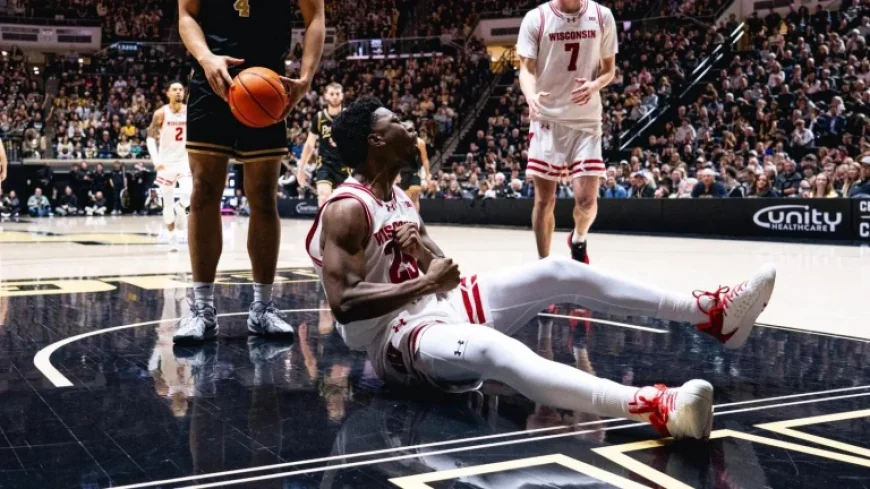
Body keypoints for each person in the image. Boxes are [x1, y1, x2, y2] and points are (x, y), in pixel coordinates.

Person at [307, 97, 777, 442]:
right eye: (398, 122)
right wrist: (430, 279)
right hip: (395, 339)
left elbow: (442, 267)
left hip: (435, 305)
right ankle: (654, 407)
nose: (410, 126)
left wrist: (431, 266)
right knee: (494, 348)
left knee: (559, 268)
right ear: (375, 141)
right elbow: (344, 305)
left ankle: (711, 314)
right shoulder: (347, 209)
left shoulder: (400, 197)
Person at [174, 0, 324, 343]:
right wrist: (206, 57)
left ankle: (263, 308)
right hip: (212, 83)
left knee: (263, 196)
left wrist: (305, 77)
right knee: (204, 193)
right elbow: (186, 16)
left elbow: (315, 16)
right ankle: (202, 308)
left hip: (268, 84)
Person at [517, 0, 618, 263]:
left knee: (586, 202)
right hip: (547, 118)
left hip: (585, 120)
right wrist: (530, 96)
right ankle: (544, 266)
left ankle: (578, 239)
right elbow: (526, 69)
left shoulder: (602, 16)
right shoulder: (536, 18)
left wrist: (594, 85)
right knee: (544, 201)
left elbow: (609, 70)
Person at [147, 82, 192, 250]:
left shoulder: (190, 111)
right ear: (168, 93)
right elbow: (150, 137)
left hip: (184, 161)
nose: (178, 92)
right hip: (166, 163)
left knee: (188, 193)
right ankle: (172, 236)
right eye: (175, 89)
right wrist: (156, 160)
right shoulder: (160, 113)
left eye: (181, 89)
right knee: (166, 203)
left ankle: (180, 209)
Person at [297, 83, 345, 206]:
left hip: (345, 166)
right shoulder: (318, 117)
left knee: (343, 206)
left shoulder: (349, 117)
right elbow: (309, 145)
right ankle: (324, 225)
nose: (335, 97)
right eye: (332, 94)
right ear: (326, 96)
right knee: (323, 198)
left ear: (342, 96)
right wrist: (301, 169)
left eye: (337, 94)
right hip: (325, 165)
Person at [398, 128, 430, 210]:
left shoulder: (420, 142)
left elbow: (425, 159)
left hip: (414, 172)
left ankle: (416, 220)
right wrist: (396, 175)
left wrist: (428, 174)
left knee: (415, 197)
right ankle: (405, 218)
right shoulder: (398, 142)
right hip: (402, 173)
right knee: (404, 199)